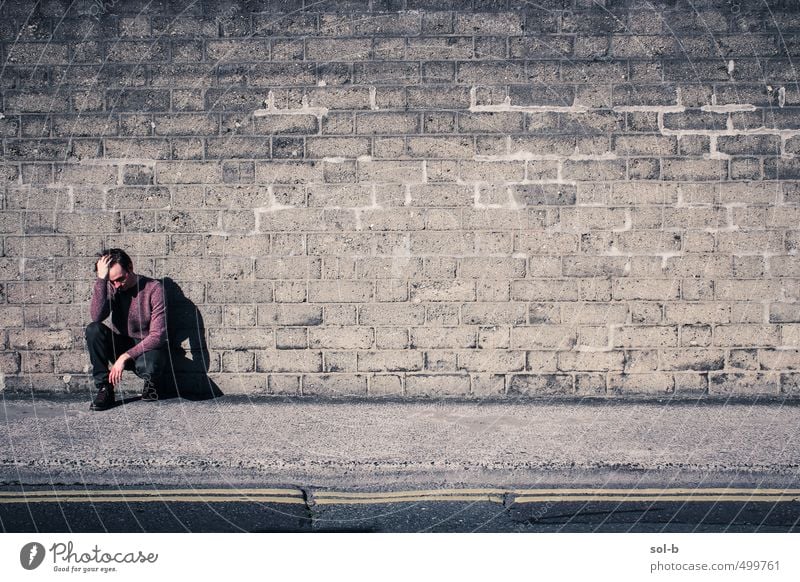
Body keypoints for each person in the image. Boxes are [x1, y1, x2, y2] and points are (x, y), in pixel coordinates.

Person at [85, 248, 168, 411]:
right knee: (93, 329)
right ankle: (105, 389)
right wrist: (102, 280)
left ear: (130, 267)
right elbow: (96, 316)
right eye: (112, 281)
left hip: (146, 347)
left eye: (120, 279)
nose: (117, 284)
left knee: (150, 366)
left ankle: (151, 381)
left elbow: (158, 335)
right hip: (121, 341)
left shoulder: (154, 288)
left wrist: (124, 357)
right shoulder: (112, 286)